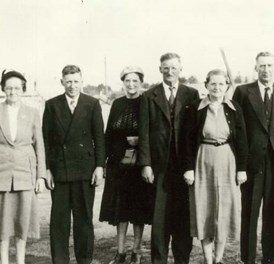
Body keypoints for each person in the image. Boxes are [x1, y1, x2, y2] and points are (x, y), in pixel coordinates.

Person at [138, 52, 200, 264]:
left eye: (174, 68)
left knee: (183, 216)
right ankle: (159, 259)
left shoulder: (191, 94)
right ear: (160, 69)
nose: (170, 72)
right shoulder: (149, 96)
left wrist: (191, 165)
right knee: (160, 217)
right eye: (166, 68)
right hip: (159, 166)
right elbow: (144, 133)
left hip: (184, 165)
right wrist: (145, 164)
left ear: (180, 69)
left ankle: (182, 259)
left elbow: (195, 133)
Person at [181, 69, 248, 264]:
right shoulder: (196, 108)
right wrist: (188, 168)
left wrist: (241, 168)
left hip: (228, 161)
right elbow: (186, 140)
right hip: (203, 160)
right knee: (205, 208)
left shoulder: (234, 107)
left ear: (226, 86)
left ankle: (219, 259)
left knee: (225, 209)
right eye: (213, 84)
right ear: (206, 85)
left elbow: (242, 140)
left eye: (221, 84)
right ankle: (208, 259)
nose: (217, 88)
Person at [42, 65, 105, 264]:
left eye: (76, 81)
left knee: (84, 219)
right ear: (62, 82)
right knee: (59, 221)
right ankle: (60, 260)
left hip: (85, 170)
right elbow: (46, 140)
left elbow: (99, 138)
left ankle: (84, 259)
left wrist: (99, 167)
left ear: (82, 81)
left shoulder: (92, 103)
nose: (72, 86)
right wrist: (48, 170)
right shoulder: (52, 105)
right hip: (60, 171)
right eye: (68, 81)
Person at [233, 52, 274, 264]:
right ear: (255, 68)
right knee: (250, 211)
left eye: (269, 65)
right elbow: (237, 128)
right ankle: (248, 258)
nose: (266, 69)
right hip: (251, 161)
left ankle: (271, 257)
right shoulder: (242, 92)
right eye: (262, 66)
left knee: (272, 210)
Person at [0, 69, 46, 264]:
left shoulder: (32, 112)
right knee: (2, 225)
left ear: (23, 89)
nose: (13, 91)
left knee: (22, 223)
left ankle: (20, 261)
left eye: (17, 88)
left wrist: (40, 176)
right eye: (9, 87)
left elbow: (40, 146)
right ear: (3, 89)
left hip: (24, 174)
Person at [100, 66, 153, 264]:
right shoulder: (117, 104)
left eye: (135, 81)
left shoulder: (147, 102)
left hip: (139, 164)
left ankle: (136, 251)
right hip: (118, 165)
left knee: (138, 211)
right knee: (120, 210)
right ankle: (120, 252)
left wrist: (139, 141)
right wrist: (103, 162)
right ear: (123, 82)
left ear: (141, 82)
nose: (131, 85)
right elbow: (109, 134)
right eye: (127, 81)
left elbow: (152, 132)